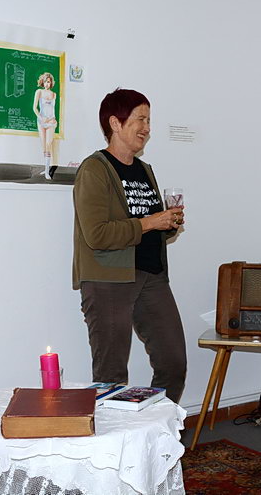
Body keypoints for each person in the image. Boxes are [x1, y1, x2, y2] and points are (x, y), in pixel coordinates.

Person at [72, 88, 187, 403]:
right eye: (140, 119)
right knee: (110, 376)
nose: (147, 128)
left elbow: (146, 228)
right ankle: (113, 435)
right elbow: (97, 234)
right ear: (115, 123)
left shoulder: (145, 170)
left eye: (149, 121)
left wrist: (167, 224)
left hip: (152, 277)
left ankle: (154, 429)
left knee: (173, 363)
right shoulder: (94, 169)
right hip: (108, 281)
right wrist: (151, 222)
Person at [33, 72, 58, 179]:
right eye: (45, 82)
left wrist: (54, 119)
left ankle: (47, 172)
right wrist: (41, 117)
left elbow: (52, 109)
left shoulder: (54, 94)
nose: (47, 84)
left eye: (48, 82)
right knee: (44, 146)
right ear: (42, 82)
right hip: (41, 121)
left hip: (51, 122)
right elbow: (34, 108)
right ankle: (46, 167)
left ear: (51, 83)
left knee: (48, 144)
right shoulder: (39, 92)